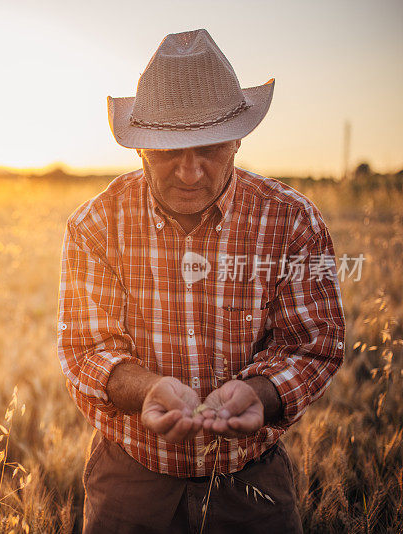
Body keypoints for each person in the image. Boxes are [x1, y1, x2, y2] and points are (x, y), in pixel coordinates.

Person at [57, 29, 345, 533]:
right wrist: (146, 390)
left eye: (208, 148)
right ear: (141, 148)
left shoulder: (293, 222)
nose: (189, 172)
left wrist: (261, 393)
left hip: (252, 481)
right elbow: (86, 348)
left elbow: (313, 344)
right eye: (169, 152)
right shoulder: (96, 225)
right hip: (130, 478)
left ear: (238, 139)